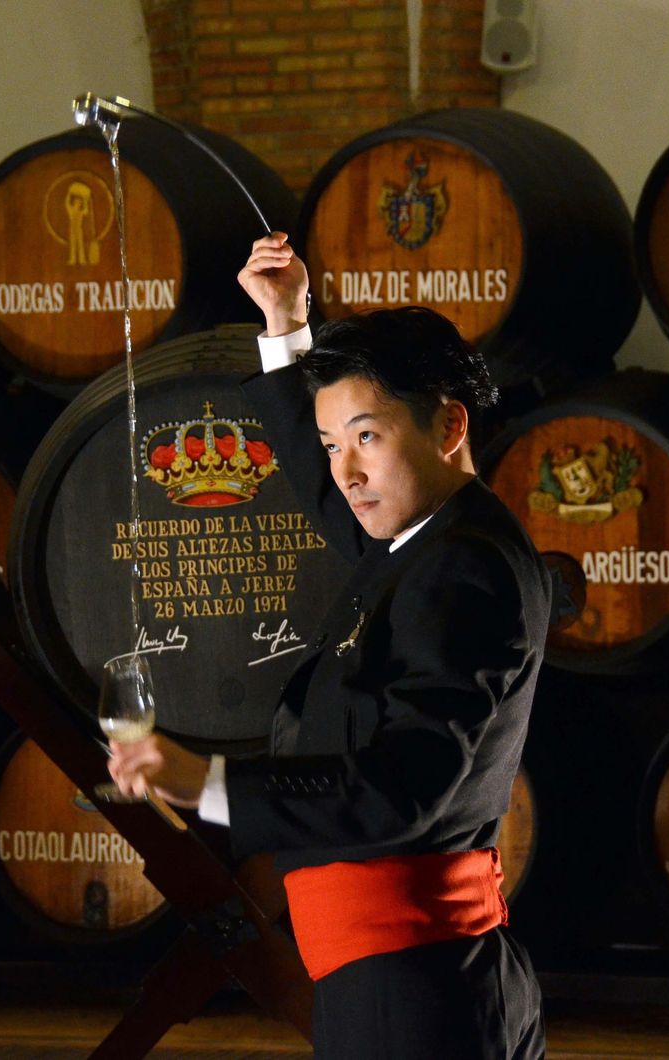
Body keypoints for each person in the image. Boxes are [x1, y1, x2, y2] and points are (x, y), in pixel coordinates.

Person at [108, 232, 550, 1059]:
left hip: (415, 991)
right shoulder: (423, 539)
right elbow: (331, 492)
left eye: (368, 437)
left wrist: (205, 783)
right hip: (397, 976)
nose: (345, 473)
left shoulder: (462, 570)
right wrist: (285, 322)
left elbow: (403, 785)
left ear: (449, 423)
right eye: (330, 445)